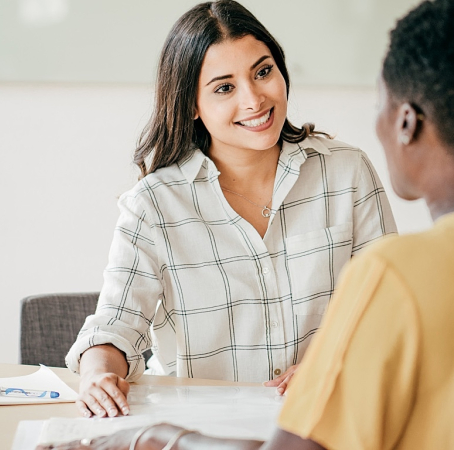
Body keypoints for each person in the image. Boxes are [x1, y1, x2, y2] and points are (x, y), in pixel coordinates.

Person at [45, 0, 454, 448]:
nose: (254, 99)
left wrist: (333, 364)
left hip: (319, 426)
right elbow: (115, 327)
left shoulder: (347, 171)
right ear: (192, 105)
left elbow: (384, 320)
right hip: (205, 430)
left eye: (263, 72)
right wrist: (98, 375)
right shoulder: (154, 204)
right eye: (224, 88)